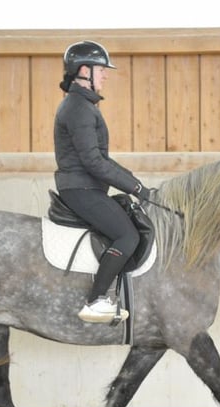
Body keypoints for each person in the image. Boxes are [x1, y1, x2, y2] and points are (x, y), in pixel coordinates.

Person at [53, 40, 155, 323]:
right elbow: (93, 162)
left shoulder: (83, 105)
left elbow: (102, 159)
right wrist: (134, 188)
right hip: (81, 188)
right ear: (83, 70)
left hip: (86, 186)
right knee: (128, 236)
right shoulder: (78, 108)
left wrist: (137, 185)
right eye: (101, 69)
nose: (106, 75)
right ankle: (95, 300)